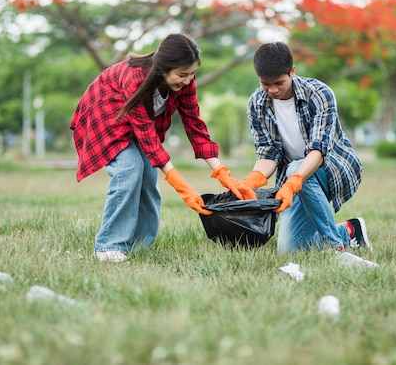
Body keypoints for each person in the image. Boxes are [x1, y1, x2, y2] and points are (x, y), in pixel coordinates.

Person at [70, 33, 255, 262]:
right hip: (108, 117)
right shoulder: (135, 77)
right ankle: (109, 246)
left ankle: (139, 246)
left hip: (141, 125)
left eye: (192, 73)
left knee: (148, 178)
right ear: (163, 69)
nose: (187, 81)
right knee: (130, 169)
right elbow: (146, 133)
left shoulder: (186, 83)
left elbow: (195, 124)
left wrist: (222, 173)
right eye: (182, 75)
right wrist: (181, 184)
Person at [239, 42, 372, 253]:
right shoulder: (257, 102)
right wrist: (251, 181)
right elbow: (267, 152)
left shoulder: (319, 94)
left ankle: (336, 246)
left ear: (292, 71)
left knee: (294, 169)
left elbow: (318, 151)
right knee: (289, 250)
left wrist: (295, 180)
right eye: (266, 84)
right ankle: (349, 231)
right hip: (296, 181)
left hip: (332, 169)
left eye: (278, 83)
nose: (272, 90)